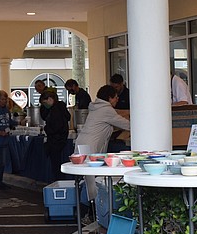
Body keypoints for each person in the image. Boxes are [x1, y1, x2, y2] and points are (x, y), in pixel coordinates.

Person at [74, 85, 132, 221]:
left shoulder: (96, 107)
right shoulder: (106, 110)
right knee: (91, 181)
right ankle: (85, 214)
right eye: (116, 97)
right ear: (109, 98)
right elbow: (126, 124)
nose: (117, 99)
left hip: (83, 145)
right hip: (90, 148)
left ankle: (85, 213)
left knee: (87, 180)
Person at [40, 90, 70, 182]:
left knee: (56, 164)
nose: (44, 105)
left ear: (49, 99)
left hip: (55, 140)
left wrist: (46, 128)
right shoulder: (61, 108)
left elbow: (55, 126)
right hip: (61, 139)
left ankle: (58, 181)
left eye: (44, 103)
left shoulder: (55, 110)